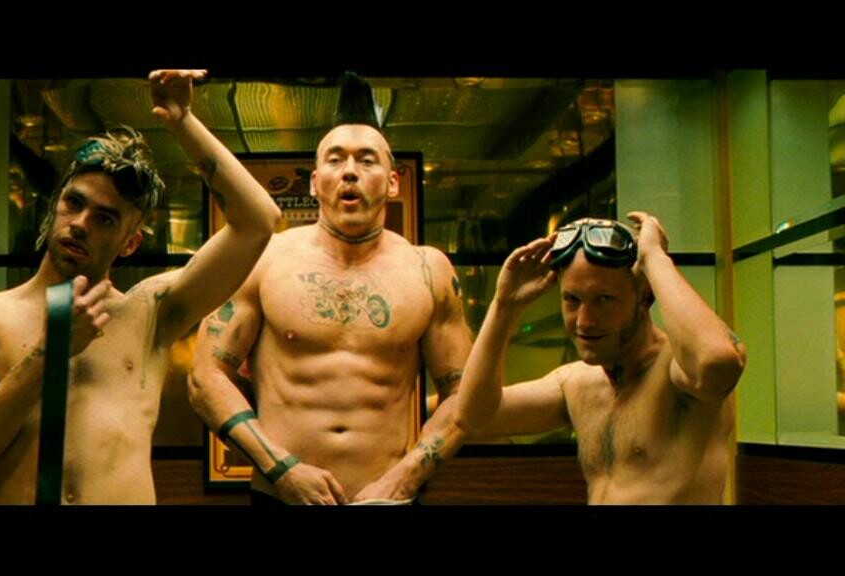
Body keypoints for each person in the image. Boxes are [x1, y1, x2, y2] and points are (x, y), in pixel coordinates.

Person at [0, 69, 282, 504]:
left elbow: (258, 221)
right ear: (55, 207)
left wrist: (182, 121)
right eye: (74, 203)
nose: (80, 224)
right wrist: (49, 353)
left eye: (105, 218)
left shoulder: (151, 313)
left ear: (130, 243)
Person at [189, 92, 474, 504]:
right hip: (281, 495)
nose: (350, 172)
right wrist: (282, 469)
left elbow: (464, 397)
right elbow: (206, 377)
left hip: (387, 497)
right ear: (314, 182)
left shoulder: (429, 271)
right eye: (335, 159)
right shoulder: (264, 259)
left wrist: (403, 480)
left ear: (393, 182)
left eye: (367, 160)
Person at [455, 213, 747, 503]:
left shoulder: (678, 375)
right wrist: (504, 306)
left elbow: (715, 362)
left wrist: (654, 257)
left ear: (644, 297)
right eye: (572, 300)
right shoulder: (576, 384)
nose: (584, 321)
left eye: (604, 300)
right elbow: (475, 417)